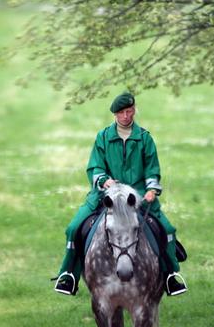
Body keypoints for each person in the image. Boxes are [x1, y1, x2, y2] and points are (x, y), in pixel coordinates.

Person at [54, 92, 188, 296]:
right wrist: (103, 180)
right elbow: (95, 167)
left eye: (129, 111)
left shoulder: (144, 138)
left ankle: (171, 276)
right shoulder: (103, 137)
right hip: (107, 195)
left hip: (139, 196)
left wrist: (152, 189)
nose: (126, 116)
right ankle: (68, 276)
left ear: (134, 110)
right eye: (122, 113)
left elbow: (152, 169)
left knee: (167, 230)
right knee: (73, 229)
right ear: (115, 114)